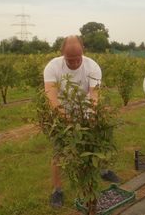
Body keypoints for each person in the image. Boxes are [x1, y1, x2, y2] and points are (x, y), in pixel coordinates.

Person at [43, 35, 120, 208]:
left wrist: (91, 114)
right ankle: (57, 190)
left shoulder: (92, 66)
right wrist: (65, 117)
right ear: (62, 53)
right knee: (58, 152)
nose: (75, 63)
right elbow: (51, 97)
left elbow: (94, 95)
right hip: (61, 112)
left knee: (97, 143)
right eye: (70, 60)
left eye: (78, 59)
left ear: (82, 53)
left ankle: (103, 171)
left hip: (85, 109)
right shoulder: (52, 67)